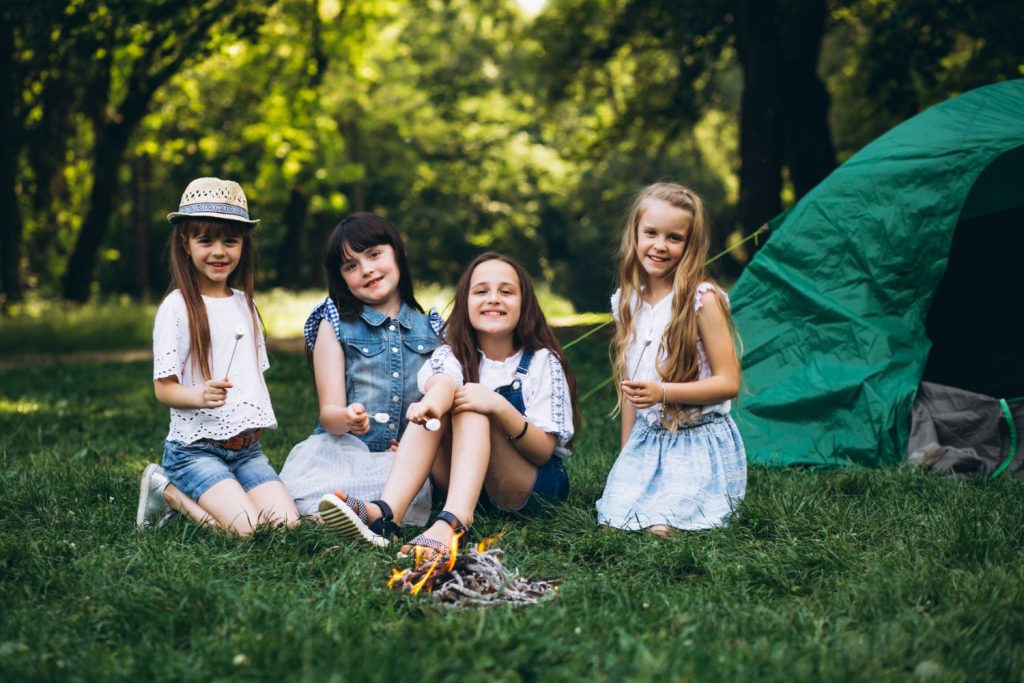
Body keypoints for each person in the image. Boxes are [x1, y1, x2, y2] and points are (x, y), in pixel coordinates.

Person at [318, 252, 577, 559]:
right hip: (474, 490)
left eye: (506, 292)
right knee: (444, 403)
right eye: (481, 291)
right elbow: (443, 381)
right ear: (465, 303)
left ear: (525, 304)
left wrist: (498, 406)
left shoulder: (542, 361)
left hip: (529, 488)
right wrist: (431, 406)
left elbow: (543, 451)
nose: (493, 299)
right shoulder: (451, 353)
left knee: (471, 404)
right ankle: (386, 515)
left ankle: (453, 522)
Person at [135, 177, 299, 536]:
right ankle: (170, 490)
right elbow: (164, 389)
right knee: (247, 531)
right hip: (195, 451)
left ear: (244, 245)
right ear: (185, 243)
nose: (219, 251)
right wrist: (198, 396)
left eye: (231, 240)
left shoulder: (246, 304)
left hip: (248, 452)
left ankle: (227, 493)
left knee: (286, 528)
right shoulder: (177, 307)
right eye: (205, 239)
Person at [595, 182, 746, 535]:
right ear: (635, 234)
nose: (660, 246)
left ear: (690, 245)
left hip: (698, 441)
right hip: (648, 441)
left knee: (660, 529)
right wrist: (625, 460)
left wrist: (663, 392)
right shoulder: (627, 302)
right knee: (613, 524)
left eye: (674, 238)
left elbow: (729, 383)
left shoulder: (702, 299)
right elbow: (631, 392)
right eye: (651, 233)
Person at [277, 214, 439, 525]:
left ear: (399, 253)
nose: (366, 270)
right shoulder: (335, 325)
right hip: (343, 453)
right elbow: (330, 414)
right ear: (341, 278)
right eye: (351, 265)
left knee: (402, 490)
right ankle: (344, 513)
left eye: (375, 254)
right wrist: (347, 418)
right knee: (306, 500)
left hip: (402, 460)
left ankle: (361, 514)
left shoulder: (431, 328)